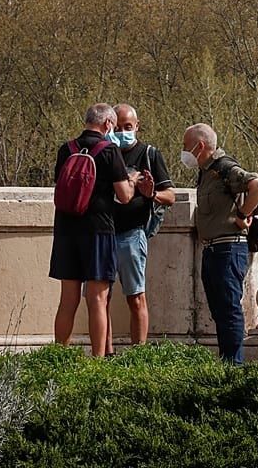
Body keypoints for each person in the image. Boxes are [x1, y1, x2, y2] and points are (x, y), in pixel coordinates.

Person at [50, 102, 135, 358]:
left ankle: (59, 356)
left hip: (66, 230)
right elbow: (125, 196)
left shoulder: (67, 149)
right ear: (108, 124)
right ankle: (97, 362)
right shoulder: (110, 151)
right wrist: (131, 181)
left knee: (68, 300)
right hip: (98, 230)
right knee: (97, 299)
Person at [183, 122, 258, 364]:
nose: (184, 152)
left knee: (229, 310)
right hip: (213, 249)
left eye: (186, 147)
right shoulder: (207, 172)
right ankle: (227, 361)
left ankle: (234, 364)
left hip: (228, 249)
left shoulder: (225, 167)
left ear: (200, 146)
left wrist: (242, 215)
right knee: (220, 311)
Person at [97, 102, 176, 351]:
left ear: (137, 126)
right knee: (101, 300)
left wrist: (151, 194)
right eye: (118, 127)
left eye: (127, 127)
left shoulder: (149, 154)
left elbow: (170, 196)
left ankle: (138, 355)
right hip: (104, 234)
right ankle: (106, 354)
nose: (122, 132)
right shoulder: (106, 153)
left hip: (132, 234)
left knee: (136, 297)